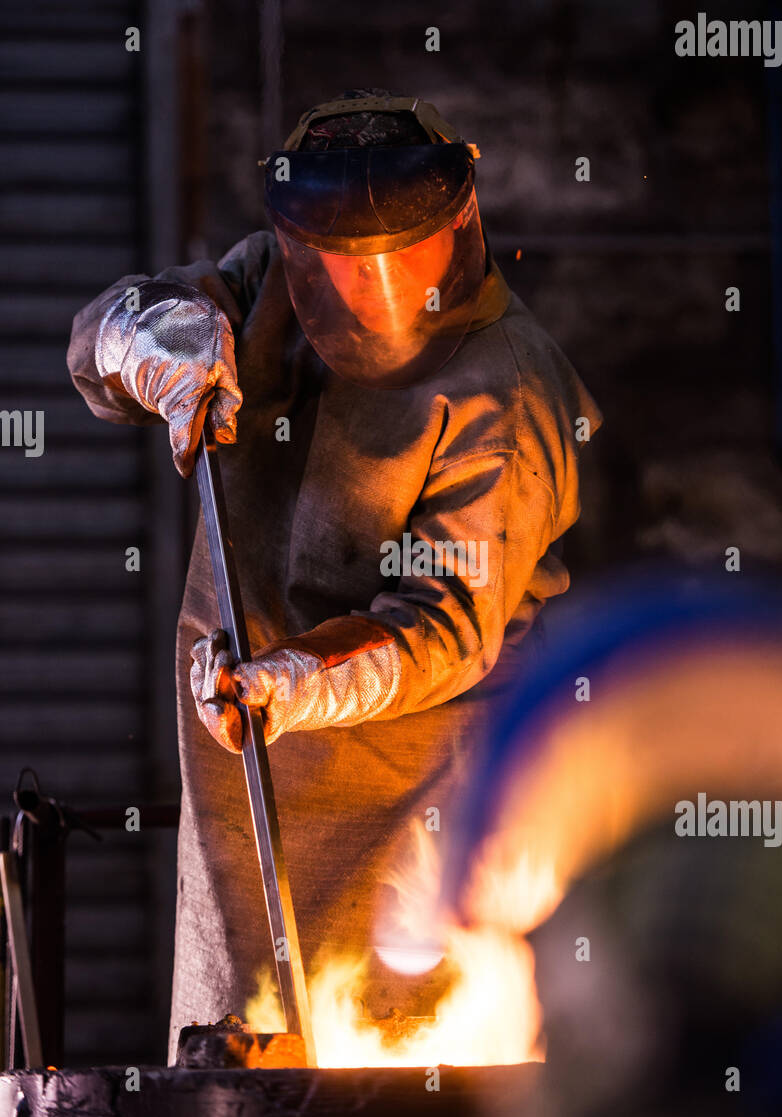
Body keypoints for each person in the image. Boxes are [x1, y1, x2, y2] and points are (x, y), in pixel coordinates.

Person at [66, 89, 602, 1061]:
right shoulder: (271, 282)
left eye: (399, 262)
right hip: (248, 790)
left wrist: (297, 678)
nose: (370, 293)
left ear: (458, 225)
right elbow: (102, 338)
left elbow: (445, 623)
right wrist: (146, 341)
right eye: (341, 266)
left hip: (419, 804)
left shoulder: (507, 389)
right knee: (238, 1091)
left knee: (397, 1105)